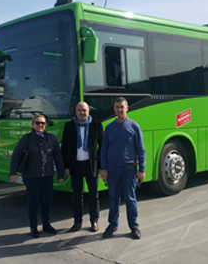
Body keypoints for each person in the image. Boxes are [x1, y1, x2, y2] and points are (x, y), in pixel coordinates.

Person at [10, 114, 65, 238]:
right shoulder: (27, 139)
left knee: (47, 201)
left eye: (43, 123)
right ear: (32, 124)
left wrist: (60, 173)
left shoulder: (51, 138)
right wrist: (12, 172)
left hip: (47, 176)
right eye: (37, 123)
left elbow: (58, 157)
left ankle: (46, 224)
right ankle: (33, 227)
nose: (40, 125)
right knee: (33, 201)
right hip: (31, 176)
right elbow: (16, 155)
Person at [99, 97, 146, 240]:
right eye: (117, 107)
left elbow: (141, 150)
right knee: (113, 198)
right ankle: (112, 225)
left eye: (122, 107)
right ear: (114, 109)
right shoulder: (109, 127)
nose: (119, 109)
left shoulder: (134, 126)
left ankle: (134, 227)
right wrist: (103, 168)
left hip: (129, 169)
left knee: (130, 198)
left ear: (127, 108)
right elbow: (103, 150)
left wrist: (141, 169)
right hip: (112, 169)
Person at [61, 101, 104, 233]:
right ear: (76, 112)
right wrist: (66, 166)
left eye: (84, 110)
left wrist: (100, 166)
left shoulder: (96, 125)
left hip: (91, 166)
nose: (82, 113)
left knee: (93, 194)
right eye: (79, 110)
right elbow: (65, 148)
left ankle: (94, 221)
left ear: (88, 111)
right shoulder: (69, 126)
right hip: (76, 166)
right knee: (76, 195)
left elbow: (102, 147)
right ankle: (77, 222)